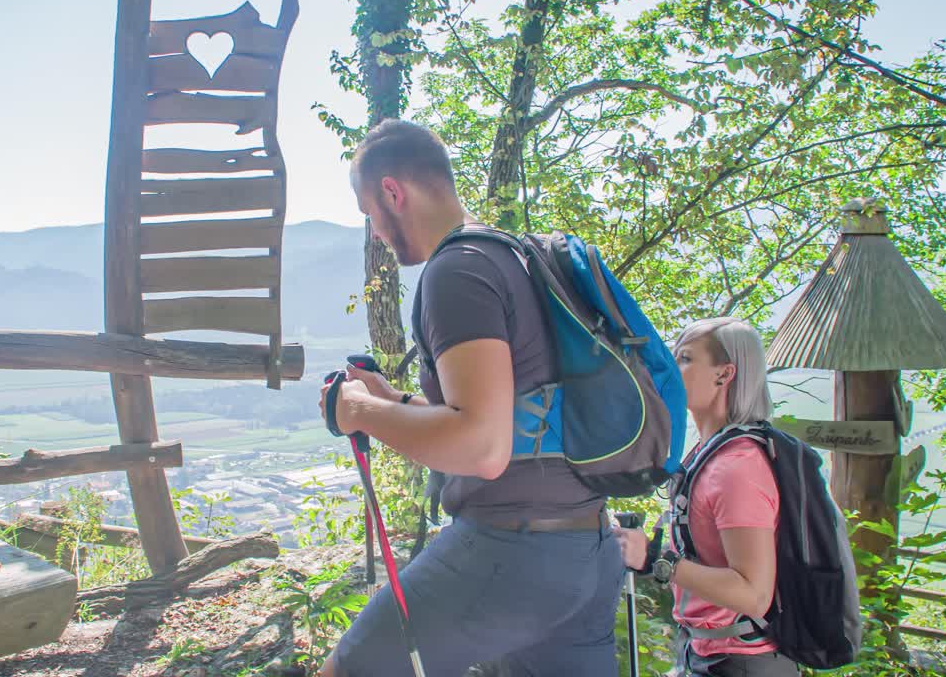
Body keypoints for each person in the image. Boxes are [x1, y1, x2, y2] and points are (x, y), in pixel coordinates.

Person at [318, 118, 623, 676]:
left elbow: (482, 448)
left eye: (370, 216)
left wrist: (357, 409)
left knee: (350, 669)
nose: (377, 235)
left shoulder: (455, 272)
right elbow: (508, 412)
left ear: (393, 192)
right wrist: (397, 402)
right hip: (590, 550)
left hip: (513, 552)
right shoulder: (517, 257)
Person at [616, 317, 798, 677]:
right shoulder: (706, 453)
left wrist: (657, 560)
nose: (670, 367)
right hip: (706, 652)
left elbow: (753, 594)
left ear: (724, 374)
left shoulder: (737, 467)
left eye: (684, 358)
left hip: (742, 662)